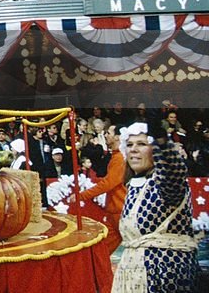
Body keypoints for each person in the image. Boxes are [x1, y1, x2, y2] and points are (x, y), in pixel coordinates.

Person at [113, 122, 198, 293]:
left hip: (166, 276)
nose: (133, 149)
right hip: (132, 276)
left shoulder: (166, 184)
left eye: (142, 144)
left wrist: (162, 142)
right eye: (129, 145)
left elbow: (174, 169)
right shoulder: (133, 185)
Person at [78, 124, 125, 254]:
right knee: (103, 249)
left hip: (119, 209)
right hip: (114, 209)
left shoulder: (120, 158)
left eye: (108, 133)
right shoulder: (116, 156)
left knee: (105, 249)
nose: (105, 135)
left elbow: (108, 183)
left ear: (117, 137)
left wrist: (82, 195)